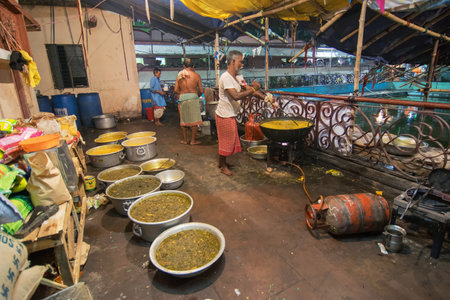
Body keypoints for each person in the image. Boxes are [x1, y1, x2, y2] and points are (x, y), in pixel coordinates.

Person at [216, 50, 261, 176]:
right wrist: (253, 89)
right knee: (226, 141)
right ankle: (223, 166)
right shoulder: (225, 77)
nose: (242, 64)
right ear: (233, 61)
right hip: (224, 114)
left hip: (230, 114)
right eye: (240, 62)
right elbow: (235, 96)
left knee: (227, 140)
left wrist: (266, 98)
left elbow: (248, 90)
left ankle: (221, 163)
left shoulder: (239, 76)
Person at [174, 59, 204, 145]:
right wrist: (195, 95)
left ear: (184, 66)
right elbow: (201, 90)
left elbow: (176, 90)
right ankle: (193, 141)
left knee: (183, 120)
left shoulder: (180, 75)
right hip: (193, 97)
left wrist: (182, 94)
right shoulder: (196, 75)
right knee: (194, 120)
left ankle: (184, 140)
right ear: (193, 66)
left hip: (182, 98)